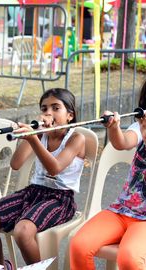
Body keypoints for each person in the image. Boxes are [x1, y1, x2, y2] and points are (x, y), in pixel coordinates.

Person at [0, 88, 86, 270]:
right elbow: (16, 163)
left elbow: (55, 168)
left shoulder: (76, 138)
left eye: (55, 108)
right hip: (33, 192)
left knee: (23, 231)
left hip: (60, 199)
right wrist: (30, 136)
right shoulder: (40, 134)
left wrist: (34, 139)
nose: (48, 113)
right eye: (44, 109)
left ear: (69, 115)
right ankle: (1, 266)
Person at [70, 80, 146, 269]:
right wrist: (113, 127)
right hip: (122, 210)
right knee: (79, 245)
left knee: (129, 258)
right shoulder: (140, 127)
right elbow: (122, 143)